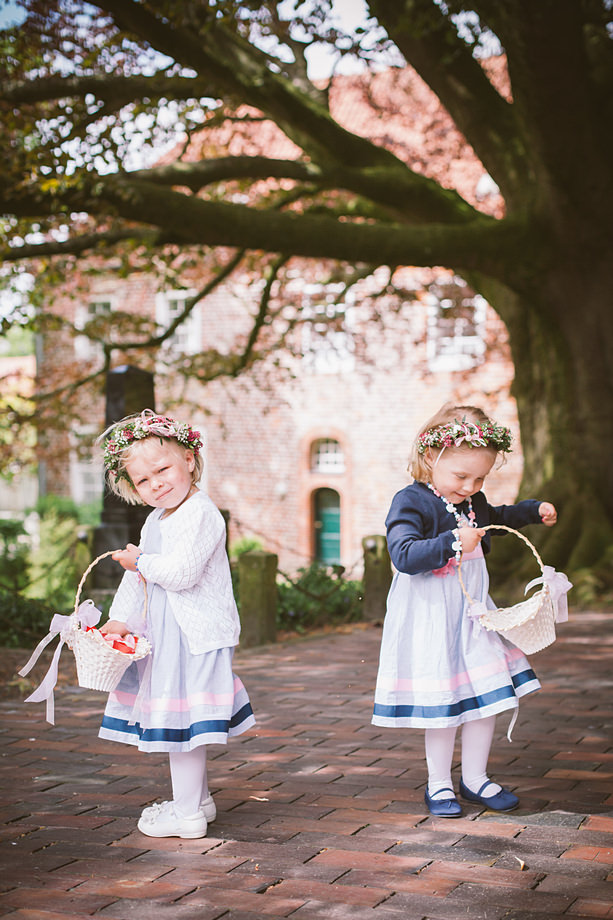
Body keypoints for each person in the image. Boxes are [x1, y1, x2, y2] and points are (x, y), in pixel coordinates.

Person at [372, 404, 558, 818]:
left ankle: (475, 778)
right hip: (431, 620)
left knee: (486, 693)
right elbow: (403, 554)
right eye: (461, 476)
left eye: (479, 478)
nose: (470, 487)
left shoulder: (473, 500)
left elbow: (497, 517)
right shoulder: (411, 501)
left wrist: (531, 511)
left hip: (473, 616)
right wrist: (453, 542)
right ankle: (438, 782)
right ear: (430, 457)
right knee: (446, 701)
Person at [96, 409, 255, 839]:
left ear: (188, 458)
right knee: (182, 722)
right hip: (169, 636)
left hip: (195, 637)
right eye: (143, 480)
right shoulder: (157, 518)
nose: (156, 484)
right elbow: (138, 580)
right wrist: (119, 620)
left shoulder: (200, 512)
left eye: (162, 470)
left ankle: (186, 816)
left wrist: (140, 563)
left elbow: (181, 573)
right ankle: (197, 801)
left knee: (183, 726)